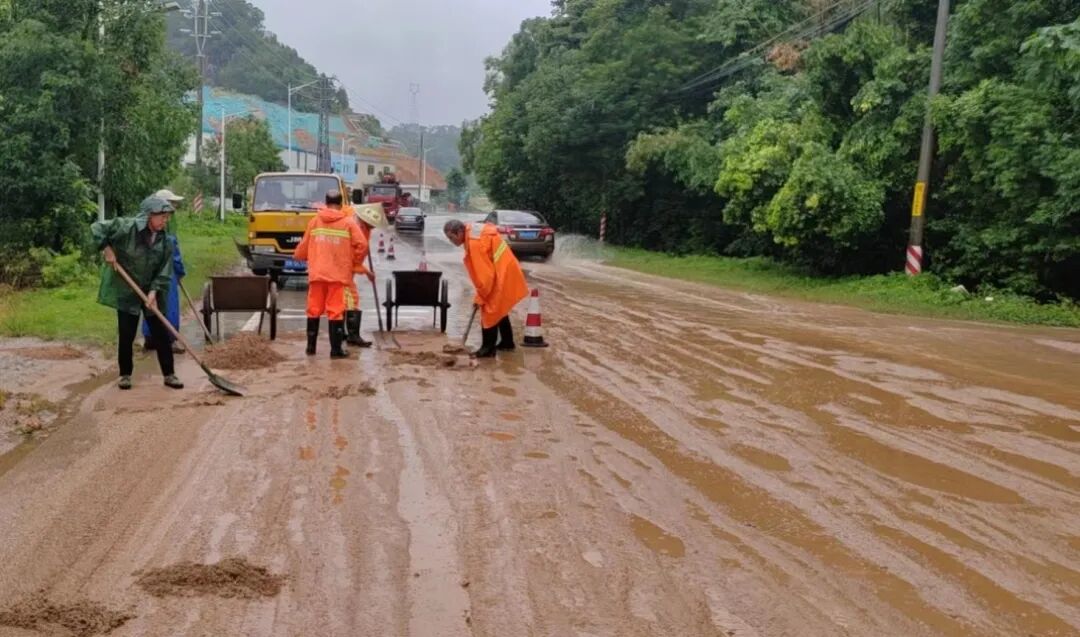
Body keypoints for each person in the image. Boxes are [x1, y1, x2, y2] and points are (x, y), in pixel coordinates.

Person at [92, 196, 183, 390]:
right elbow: (97, 227)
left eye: (167, 217)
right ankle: (125, 375)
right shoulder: (127, 227)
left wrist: (154, 292)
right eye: (162, 217)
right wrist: (107, 249)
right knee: (126, 334)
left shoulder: (165, 240)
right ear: (150, 215)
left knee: (161, 333)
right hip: (128, 289)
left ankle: (169, 374)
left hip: (152, 291)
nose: (165, 220)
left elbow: (164, 269)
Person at [294, 190, 368, 358]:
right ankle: (335, 350)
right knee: (335, 311)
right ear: (341, 204)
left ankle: (310, 348)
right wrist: (354, 261)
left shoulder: (315, 221)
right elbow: (362, 245)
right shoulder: (348, 223)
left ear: (326, 203)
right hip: (338, 275)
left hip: (317, 273)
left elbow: (304, 246)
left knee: (313, 309)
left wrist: (298, 256)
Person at [443, 219, 529, 358]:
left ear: (459, 232)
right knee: (499, 308)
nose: (451, 241)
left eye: (451, 237)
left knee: (489, 308)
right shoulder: (472, 233)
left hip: (501, 274)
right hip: (505, 270)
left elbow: (485, 277)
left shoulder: (474, 243)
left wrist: (481, 297)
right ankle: (507, 343)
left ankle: (487, 349)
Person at [142, 189, 187, 354]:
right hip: (167, 273)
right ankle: (169, 339)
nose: (174, 207)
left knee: (151, 303)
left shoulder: (148, 222)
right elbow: (174, 253)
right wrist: (179, 271)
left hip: (149, 271)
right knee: (168, 305)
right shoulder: (167, 226)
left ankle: (150, 339)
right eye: (172, 203)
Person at [342, 204, 382, 348]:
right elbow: (353, 260)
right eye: (372, 224)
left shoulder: (363, 227)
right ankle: (352, 336)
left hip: (345, 269)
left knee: (341, 301)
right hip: (343, 270)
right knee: (351, 300)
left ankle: (342, 333)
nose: (374, 228)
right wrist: (367, 272)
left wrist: (365, 271)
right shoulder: (354, 228)